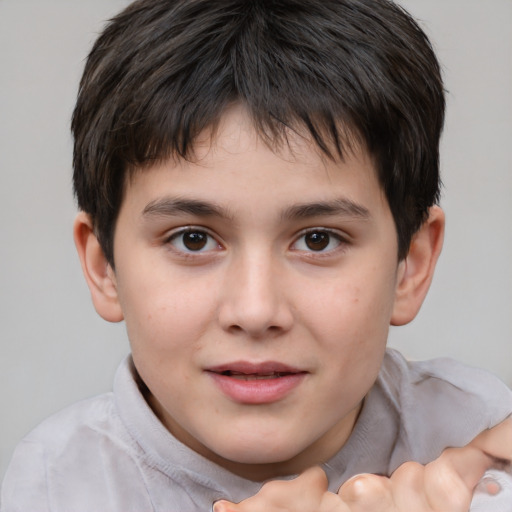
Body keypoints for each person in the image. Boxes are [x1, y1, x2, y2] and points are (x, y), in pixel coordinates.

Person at [1, 0, 511, 510]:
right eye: (193, 239)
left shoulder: (481, 444)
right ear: (103, 266)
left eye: (318, 240)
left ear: (411, 264)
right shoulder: (53, 487)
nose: (255, 311)